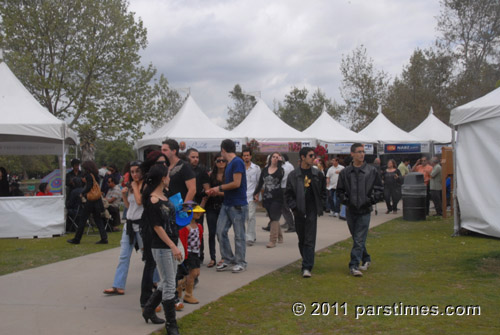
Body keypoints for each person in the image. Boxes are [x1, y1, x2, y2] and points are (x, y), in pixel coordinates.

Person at [103, 161, 157, 316]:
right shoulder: (132, 186)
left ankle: (156, 280)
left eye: (137, 171)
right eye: (132, 171)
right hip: (130, 224)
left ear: (142, 172)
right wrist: (125, 194)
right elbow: (129, 206)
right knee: (123, 255)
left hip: (141, 225)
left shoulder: (146, 186)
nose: (134, 174)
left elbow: (140, 202)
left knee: (147, 256)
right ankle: (118, 285)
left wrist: (135, 187)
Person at [141, 164, 182, 335]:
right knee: (170, 284)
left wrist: (177, 243)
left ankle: (149, 309)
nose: (170, 178)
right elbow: (157, 227)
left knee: (167, 281)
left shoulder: (163, 196)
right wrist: (173, 246)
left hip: (171, 244)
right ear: (163, 178)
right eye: (168, 175)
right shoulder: (153, 200)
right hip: (162, 247)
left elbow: (171, 223)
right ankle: (171, 325)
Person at [337, 143, 383, 277]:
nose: (362, 154)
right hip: (351, 209)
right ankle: (366, 258)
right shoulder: (345, 172)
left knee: (358, 238)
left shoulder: (372, 170)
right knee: (357, 237)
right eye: (358, 152)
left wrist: (370, 200)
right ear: (352, 154)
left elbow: (379, 189)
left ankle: (354, 265)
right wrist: (346, 201)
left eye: (363, 152)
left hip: (364, 209)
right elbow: (339, 191)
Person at [207, 139, 248, 274]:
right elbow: (230, 187)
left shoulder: (237, 162)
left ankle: (240, 261)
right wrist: (216, 191)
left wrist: (218, 187)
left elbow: (236, 183)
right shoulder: (230, 164)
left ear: (223, 150)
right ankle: (228, 258)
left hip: (238, 205)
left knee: (239, 234)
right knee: (220, 231)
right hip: (227, 203)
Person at [285, 147, 327, 278]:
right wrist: (294, 208)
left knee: (310, 239)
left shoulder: (317, 174)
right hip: (299, 211)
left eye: (313, 155)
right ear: (302, 157)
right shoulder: (293, 175)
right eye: (310, 155)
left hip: (312, 210)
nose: (313, 158)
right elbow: (288, 194)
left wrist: (322, 205)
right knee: (302, 239)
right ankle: (307, 259)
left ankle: (307, 267)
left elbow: (323, 192)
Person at [67, 161, 108, 245]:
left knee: (83, 219)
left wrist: (82, 193)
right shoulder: (96, 175)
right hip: (97, 200)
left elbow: (89, 187)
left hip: (91, 201)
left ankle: (77, 238)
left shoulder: (89, 176)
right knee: (98, 219)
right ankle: (104, 238)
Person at [253, 152, 284, 248]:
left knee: (274, 217)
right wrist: (256, 193)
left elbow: (279, 176)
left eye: (277, 157)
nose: (275, 158)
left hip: (277, 197)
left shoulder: (280, 170)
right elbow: (260, 183)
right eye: (273, 157)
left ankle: (272, 240)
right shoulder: (265, 170)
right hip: (267, 197)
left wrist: (279, 163)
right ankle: (280, 236)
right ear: (270, 158)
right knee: (272, 218)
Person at [186, 148, 209, 261]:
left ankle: (199, 254)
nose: (195, 159)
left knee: (198, 229)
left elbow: (207, 188)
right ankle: (187, 254)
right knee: (185, 229)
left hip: (198, 203)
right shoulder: (183, 169)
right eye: (193, 157)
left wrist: (205, 197)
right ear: (187, 157)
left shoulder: (202, 170)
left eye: (197, 157)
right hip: (186, 202)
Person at [178, 205, 204, 304]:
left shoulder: (199, 226)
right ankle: (188, 295)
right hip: (188, 253)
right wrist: (184, 255)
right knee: (192, 274)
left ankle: (179, 285)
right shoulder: (185, 227)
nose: (199, 214)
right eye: (196, 212)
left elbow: (199, 239)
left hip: (196, 252)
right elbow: (183, 241)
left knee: (197, 273)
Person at [205, 154, 226, 268]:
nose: (221, 162)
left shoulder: (228, 176)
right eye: (219, 160)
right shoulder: (211, 176)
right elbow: (207, 190)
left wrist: (217, 192)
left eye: (223, 160)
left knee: (221, 233)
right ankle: (212, 258)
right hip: (211, 206)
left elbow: (229, 193)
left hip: (223, 206)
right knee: (211, 233)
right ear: (215, 162)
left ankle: (224, 257)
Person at [162, 139, 196, 204]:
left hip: (182, 207)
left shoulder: (185, 166)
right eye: (161, 150)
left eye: (165, 150)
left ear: (174, 151)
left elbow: (192, 190)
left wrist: (184, 209)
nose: (162, 152)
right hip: (169, 207)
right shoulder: (164, 166)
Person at [242, 149, 261, 246]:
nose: (246, 157)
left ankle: (249, 238)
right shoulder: (240, 167)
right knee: (244, 217)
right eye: (244, 155)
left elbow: (259, 182)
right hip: (241, 197)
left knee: (251, 216)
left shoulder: (256, 168)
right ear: (242, 157)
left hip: (252, 196)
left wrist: (257, 194)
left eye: (247, 155)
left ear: (250, 156)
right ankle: (250, 235)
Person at [281, 154, 295, 232]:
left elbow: (282, 178)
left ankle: (291, 225)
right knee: (284, 207)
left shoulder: (284, 167)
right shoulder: (290, 165)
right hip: (288, 187)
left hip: (283, 188)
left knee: (285, 207)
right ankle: (288, 223)